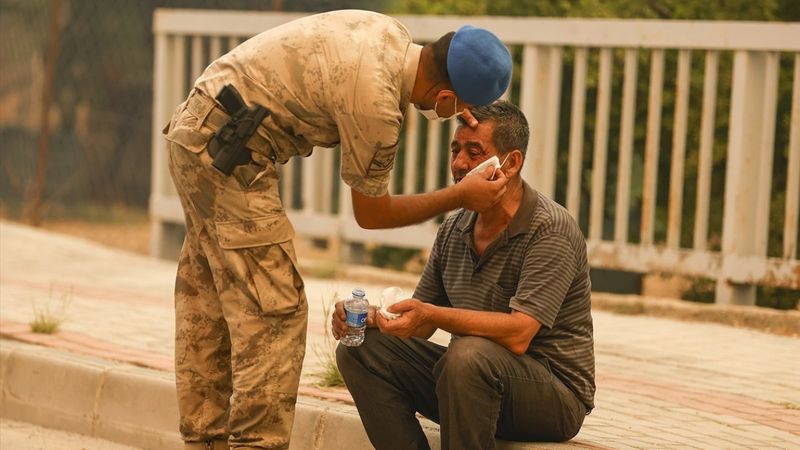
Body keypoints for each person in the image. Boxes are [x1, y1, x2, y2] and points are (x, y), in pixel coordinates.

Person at [163, 9, 513, 450]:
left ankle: (203, 440)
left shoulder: (386, 31)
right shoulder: (378, 107)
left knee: (211, 301)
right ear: (445, 98)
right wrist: (461, 197)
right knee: (276, 310)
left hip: (194, 131)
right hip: (230, 155)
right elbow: (372, 214)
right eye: (457, 112)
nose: (453, 118)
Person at [333, 101, 595, 450]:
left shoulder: (550, 228)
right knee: (360, 349)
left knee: (467, 357)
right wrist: (371, 319)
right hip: (470, 381)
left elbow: (519, 334)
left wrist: (433, 315)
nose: (459, 164)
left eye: (474, 152)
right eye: (455, 150)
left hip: (552, 394)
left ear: (511, 162)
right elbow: (422, 322)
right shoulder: (454, 228)